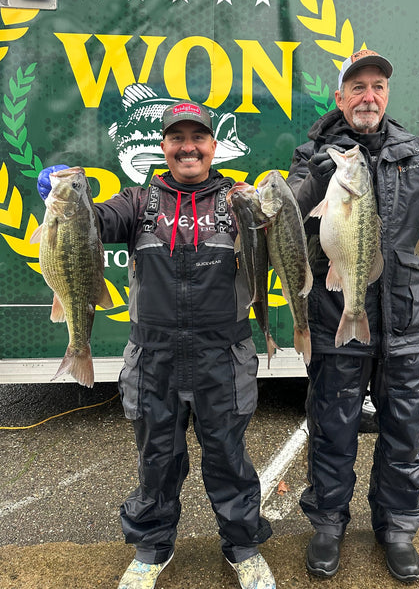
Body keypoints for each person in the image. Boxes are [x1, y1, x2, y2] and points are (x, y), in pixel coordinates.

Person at [37, 100, 276, 589]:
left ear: (213, 146)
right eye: (177, 138)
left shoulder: (238, 201)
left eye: (198, 138)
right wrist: (59, 192)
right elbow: (91, 223)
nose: (188, 147)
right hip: (154, 357)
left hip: (222, 355)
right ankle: (152, 548)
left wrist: (264, 213)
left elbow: (286, 238)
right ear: (163, 147)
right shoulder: (137, 202)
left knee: (229, 458)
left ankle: (243, 546)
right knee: (157, 460)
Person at [287, 50, 419, 584]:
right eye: (357, 88)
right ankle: (327, 526)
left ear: (388, 96)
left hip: (408, 321)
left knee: (404, 431)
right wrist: (316, 177)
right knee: (333, 430)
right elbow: (293, 218)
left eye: (377, 87)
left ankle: (397, 529)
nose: (368, 97)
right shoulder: (312, 155)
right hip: (338, 317)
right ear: (340, 98)